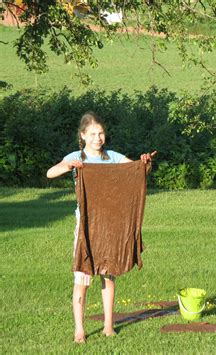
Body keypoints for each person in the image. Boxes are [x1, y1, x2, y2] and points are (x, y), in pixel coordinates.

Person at [46, 112, 156, 343]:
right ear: (83, 135)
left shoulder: (112, 157)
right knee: (83, 276)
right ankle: (79, 330)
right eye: (93, 134)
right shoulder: (77, 156)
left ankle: (108, 326)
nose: (98, 138)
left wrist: (145, 162)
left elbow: (137, 171)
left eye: (101, 133)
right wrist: (69, 166)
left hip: (111, 226)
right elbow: (50, 173)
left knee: (109, 274)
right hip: (86, 225)